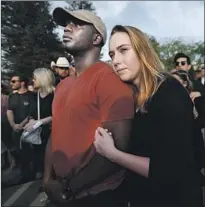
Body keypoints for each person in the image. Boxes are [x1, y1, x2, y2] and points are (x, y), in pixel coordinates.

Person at [93, 25, 203, 206]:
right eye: (112, 54)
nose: (116, 61)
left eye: (124, 50)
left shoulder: (168, 91)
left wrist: (113, 153)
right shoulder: (132, 97)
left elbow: (171, 169)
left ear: (142, 51)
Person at [43, 8, 135, 207]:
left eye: (77, 24)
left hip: (98, 195)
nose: (67, 28)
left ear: (96, 38)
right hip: (64, 192)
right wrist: (47, 179)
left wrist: (69, 188)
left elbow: (117, 147)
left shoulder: (109, 80)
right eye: (66, 24)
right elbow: (55, 134)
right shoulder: (63, 85)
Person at [24, 68, 55, 179]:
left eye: (35, 78)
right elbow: (31, 113)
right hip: (39, 134)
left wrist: (39, 122)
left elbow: (56, 115)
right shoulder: (34, 96)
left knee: (52, 158)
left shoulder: (54, 95)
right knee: (40, 156)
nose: (33, 80)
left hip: (52, 132)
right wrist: (32, 121)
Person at [7, 73, 35, 180]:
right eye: (11, 81)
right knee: (19, 152)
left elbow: (32, 113)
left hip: (29, 129)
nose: (11, 83)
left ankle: (34, 173)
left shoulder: (31, 95)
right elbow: (9, 111)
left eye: (14, 81)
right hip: (16, 130)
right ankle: (24, 174)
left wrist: (21, 125)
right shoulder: (12, 96)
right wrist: (13, 124)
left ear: (22, 82)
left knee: (30, 152)